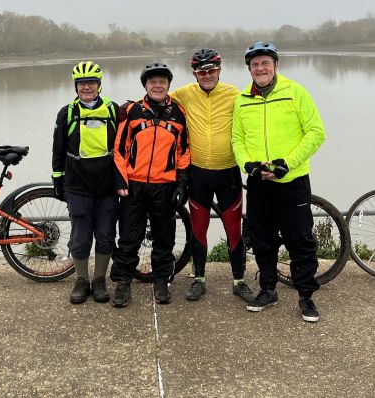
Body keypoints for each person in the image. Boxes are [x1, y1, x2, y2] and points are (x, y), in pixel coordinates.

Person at [231, 41, 326, 322]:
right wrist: (247, 164)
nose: (260, 68)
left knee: (300, 240)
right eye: (255, 64)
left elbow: (316, 133)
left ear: (275, 65)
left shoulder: (295, 92)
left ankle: (306, 296)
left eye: (265, 63)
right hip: (259, 183)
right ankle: (268, 290)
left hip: (292, 180)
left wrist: (288, 163)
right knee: (263, 240)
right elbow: (237, 139)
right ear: (249, 68)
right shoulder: (242, 100)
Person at [171, 48, 255, 303]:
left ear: (219, 70)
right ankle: (199, 279)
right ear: (194, 74)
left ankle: (239, 281)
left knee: (233, 230)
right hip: (198, 174)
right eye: (201, 72)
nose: (207, 76)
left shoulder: (234, 94)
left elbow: (256, 118)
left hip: (228, 172)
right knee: (199, 229)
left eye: (212, 71)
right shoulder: (184, 94)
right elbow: (157, 99)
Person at [110, 62, 190, 307]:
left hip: (164, 186)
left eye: (162, 82)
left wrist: (181, 183)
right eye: (153, 82)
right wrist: (121, 179)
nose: (157, 86)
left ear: (168, 85)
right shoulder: (132, 111)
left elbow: (184, 151)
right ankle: (123, 282)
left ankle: (161, 281)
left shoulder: (179, 113)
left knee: (164, 237)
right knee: (129, 238)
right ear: (145, 85)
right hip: (134, 186)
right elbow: (119, 150)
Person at [52, 61, 121, 304]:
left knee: (105, 235)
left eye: (91, 82)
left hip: (107, 186)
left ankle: (99, 280)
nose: (86, 87)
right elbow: (58, 149)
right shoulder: (67, 113)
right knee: (80, 237)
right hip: (78, 185)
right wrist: (57, 178)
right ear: (76, 87)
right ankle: (81, 280)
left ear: (99, 85)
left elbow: (123, 147)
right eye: (82, 83)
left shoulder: (113, 110)